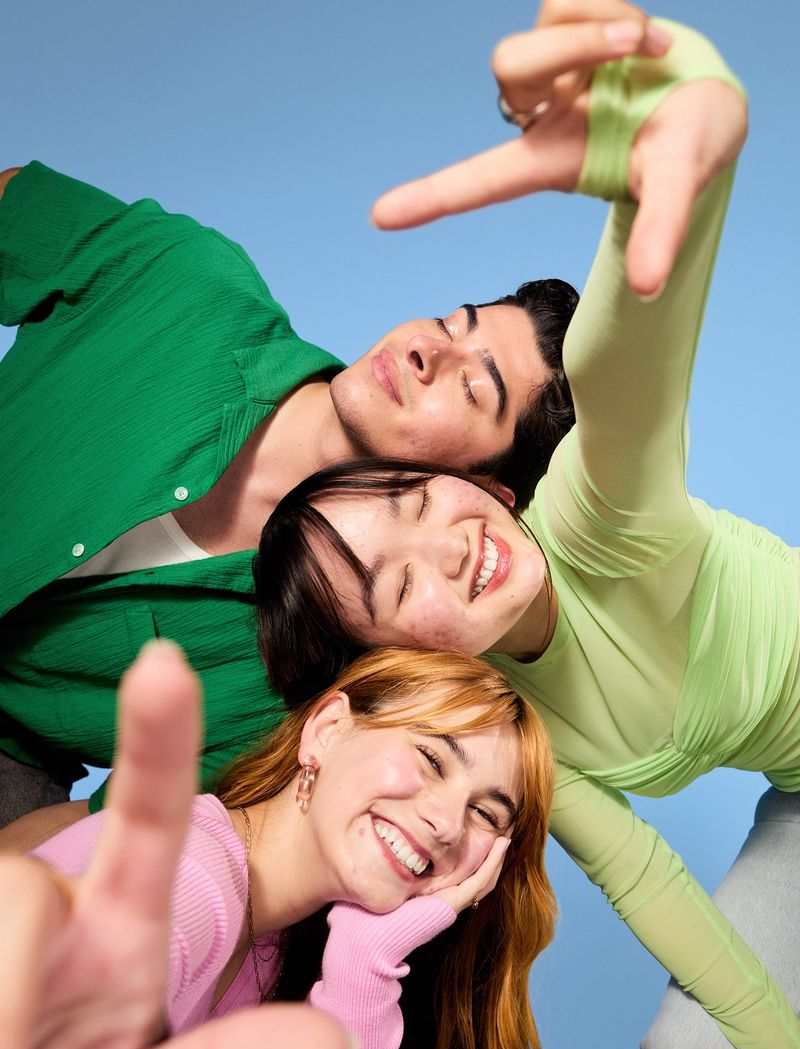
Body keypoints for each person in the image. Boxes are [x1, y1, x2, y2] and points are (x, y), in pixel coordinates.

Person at [255, 15, 800, 1049]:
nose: (445, 546)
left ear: (489, 484)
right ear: (414, 660)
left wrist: (662, 172)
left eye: (418, 497)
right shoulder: (516, 727)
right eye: (397, 584)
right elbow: (650, 886)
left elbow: (625, 371)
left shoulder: (599, 517)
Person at [0, 2, 689, 828]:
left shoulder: (313, 677)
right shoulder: (192, 283)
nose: (429, 350)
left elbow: (107, 838)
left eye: (475, 390)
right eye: (453, 323)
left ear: (483, 490)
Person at [0, 639, 556, 1049]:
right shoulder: (185, 877)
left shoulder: (278, 950)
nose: (447, 824)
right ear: (327, 729)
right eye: (432, 759)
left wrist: (365, 961)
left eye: (485, 813)